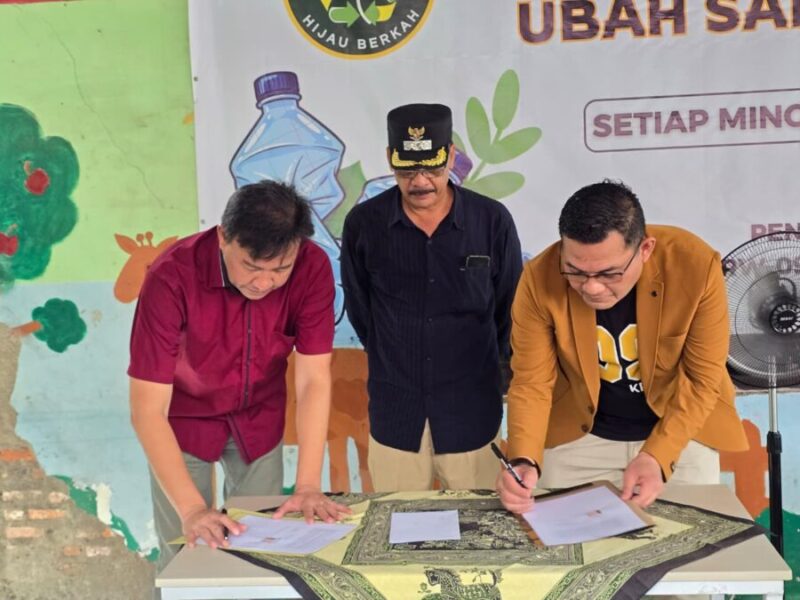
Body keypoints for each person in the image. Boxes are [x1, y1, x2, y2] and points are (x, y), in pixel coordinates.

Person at [128, 180, 350, 573]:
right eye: (251, 267)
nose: (264, 283)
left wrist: (307, 485)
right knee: (186, 553)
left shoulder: (312, 267)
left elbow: (313, 379)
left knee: (260, 550)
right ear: (222, 237)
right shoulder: (170, 276)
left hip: (259, 418)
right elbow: (147, 410)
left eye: (280, 269)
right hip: (182, 419)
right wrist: (192, 510)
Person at [498, 179, 748, 512]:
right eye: (575, 271)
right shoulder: (538, 277)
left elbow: (702, 380)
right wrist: (524, 458)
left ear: (645, 249)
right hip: (578, 435)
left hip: (681, 430)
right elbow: (532, 382)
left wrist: (658, 455)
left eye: (609, 274)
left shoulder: (695, 266)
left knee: (694, 540)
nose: (592, 288)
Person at [341, 103, 523, 491]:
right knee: (396, 522)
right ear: (390, 159)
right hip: (397, 414)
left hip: (472, 412)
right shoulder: (364, 225)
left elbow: (510, 311)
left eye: (433, 169)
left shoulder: (491, 221)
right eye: (407, 171)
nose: (421, 181)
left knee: (480, 522)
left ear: (451, 157)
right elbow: (361, 311)